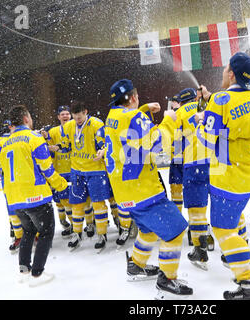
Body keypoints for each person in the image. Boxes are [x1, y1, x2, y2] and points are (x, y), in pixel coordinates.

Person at [100, 79, 193, 299]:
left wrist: (142, 110)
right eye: (137, 98)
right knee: (176, 230)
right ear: (132, 97)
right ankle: (167, 280)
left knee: (148, 231)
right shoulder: (133, 116)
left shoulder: (112, 117)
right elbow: (158, 143)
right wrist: (169, 120)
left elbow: (128, 129)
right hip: (144, 191)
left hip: (125, 192)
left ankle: (136, 266)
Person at [194, 52, 250, 300]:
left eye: (225, 70)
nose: (222, 73)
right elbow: (235, 113)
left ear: (231, 73)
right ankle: (242, 259)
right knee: (234, 221)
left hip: (230, 177)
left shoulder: (221, 100)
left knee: (223, 230)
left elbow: (206, 141)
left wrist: (198, 121)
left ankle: (247, 283)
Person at [0, 105, 68, 287]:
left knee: (28, 231)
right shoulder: (34, 138)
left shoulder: (4, 143)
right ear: (26, 119)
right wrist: (61, 184)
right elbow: (47, 169)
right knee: (46, 232)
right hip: (35, 196)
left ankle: (24, 268)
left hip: (15, 199)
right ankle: (37, 273)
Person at [61, 101, 126, 252]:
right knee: (76, 204)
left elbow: (104, 144)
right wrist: (55, 147)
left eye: (80, 117)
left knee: (98, 203)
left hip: (96, 170)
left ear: (86, 112)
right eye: (75, 117)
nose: (77, 120)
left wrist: (102, 150)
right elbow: (66, 146)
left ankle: (102, 234)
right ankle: (77, 233)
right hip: (76, 170)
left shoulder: (97, 124)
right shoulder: (69, 126)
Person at [173, 87, 212, 270]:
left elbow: (176, 142)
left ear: (181, 102)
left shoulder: (179, 113)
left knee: (197, 209)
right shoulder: (209, 106)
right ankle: (238, 245)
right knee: (224, 203)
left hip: (194, 163)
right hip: (216, 161)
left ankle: (200, 249)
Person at [0, 120, 23, 253]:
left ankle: (31, 234)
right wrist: (7, 165)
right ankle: (18, 234)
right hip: (9, 180)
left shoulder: (24, 137)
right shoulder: (0, 141)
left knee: (27, 206)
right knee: (12, 207)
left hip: (24, 178)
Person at [41, 105, 73, 237]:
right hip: (59, 171)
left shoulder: (76, 128)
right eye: (62, 114)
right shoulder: (53, 131)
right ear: (58, 117)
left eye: (67, 113)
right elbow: (49, 149)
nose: (65, 116)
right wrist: (46, 138)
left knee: (82, 199)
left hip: (74, 169)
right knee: (60, 201)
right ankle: (65, 222)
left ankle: (89, 222)